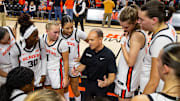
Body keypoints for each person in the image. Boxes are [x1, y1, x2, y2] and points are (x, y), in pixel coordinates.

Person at [138, 0, 177, 94]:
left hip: (152, 93)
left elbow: (154, 81)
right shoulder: (168, 28)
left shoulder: (160, 41)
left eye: (142, 19)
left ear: (154, 20)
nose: (139, 22)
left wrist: (142, 98)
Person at [72, 28, 117, 100]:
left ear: (100, 39)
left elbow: (112, 75)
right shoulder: (87, 50)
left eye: (92, 40)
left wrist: (106, 82)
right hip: (89, 83)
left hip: (101, 86)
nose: (89, 42)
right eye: (89, 40)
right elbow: (83, 65)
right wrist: (76, 70)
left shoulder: (109, 55)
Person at [114, 5, 147, 101]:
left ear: (135, 22)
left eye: (126, 26)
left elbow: (131, 62)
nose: (123, 28)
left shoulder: (136, 36)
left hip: (127, 79)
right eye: (122, 26)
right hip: (128, 77)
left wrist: (122, 45)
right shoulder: (135, 32)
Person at [10, 13, 47, 88]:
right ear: (26, 37)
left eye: (37, 35)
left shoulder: (40, 41)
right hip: (25, 81)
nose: (37, 38)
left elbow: (43, 58)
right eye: (34, 36)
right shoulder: (16, 47)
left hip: (38, 77)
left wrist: (43, 74)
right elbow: (15, 68)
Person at [60, 15, 88, 101]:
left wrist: (83, 58)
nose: (70, 30)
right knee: (64, 87)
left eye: (71, 27)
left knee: (75, 89)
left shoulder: (77, 32)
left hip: (73, 64)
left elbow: (92, 43)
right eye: (67, 28)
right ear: (62, 27)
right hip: (62, 64)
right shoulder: (57, 32)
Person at [42, 21, 69, 95]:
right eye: (55, 32)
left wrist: (66, 77)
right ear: (47, 31)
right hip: (45, 70)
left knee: (59, 96)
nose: (57, 35)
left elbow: (66, 61)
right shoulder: (42, 38)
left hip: (57, 71)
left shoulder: (62, 43)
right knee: (48, 95)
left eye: (59, 32)